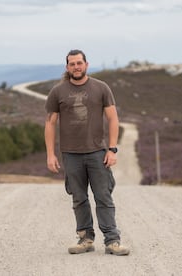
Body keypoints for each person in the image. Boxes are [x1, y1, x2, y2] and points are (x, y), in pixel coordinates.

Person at [44, 49, 130, 256]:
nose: (76, 67)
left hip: (98, 153)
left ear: (86, 64)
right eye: (72, 64)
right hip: (71, 154)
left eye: (79, 63)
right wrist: (50, 154)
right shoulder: (57, 91)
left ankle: (112, 241)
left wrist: (112, 149)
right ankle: (85, 239)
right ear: (67, 67)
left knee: (103, 197)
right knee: (79, 198)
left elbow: (113, 119)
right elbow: (49, 124)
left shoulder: (101, 88)